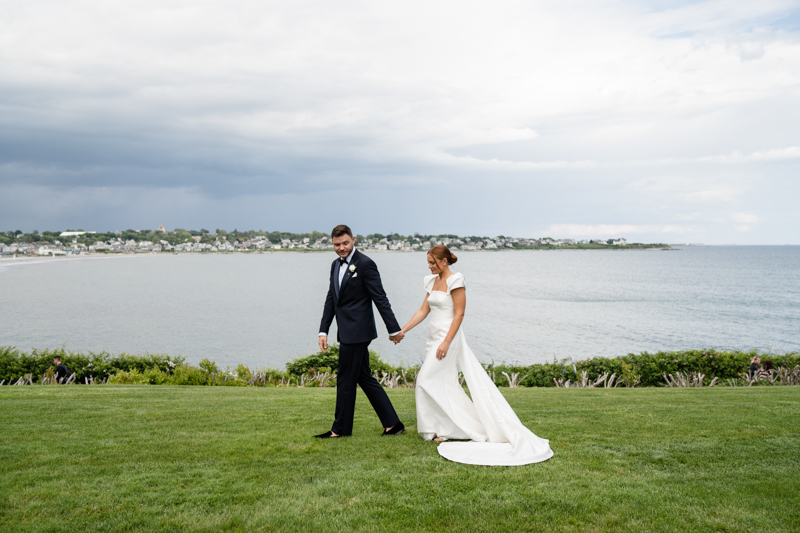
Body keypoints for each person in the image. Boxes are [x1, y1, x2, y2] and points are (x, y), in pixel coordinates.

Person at [397, 245, 553, 466]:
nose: (430, 266)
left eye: (433, 263)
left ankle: (463, 428)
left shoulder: (456, 280)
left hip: (447, 338)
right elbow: (424, 310)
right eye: (428, 263)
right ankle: (442, 429)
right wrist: (403, 330)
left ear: (444, 261)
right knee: (443, 383)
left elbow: (459, 314)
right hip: (432, 338)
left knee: (424, 380)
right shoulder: (431, 281)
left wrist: (447, 342)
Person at [314, 225, 406, 438]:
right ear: (332, 244)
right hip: (344, 330)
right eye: (337, 245)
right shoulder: (335, 266)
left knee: (345, 378)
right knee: (364, 377)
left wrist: (393, 329)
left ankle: (340, 430)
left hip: (358, 332)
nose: (341, 248)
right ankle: (393, 424)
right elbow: (331, 298)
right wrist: (323, 331)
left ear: (353, 239)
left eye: (345, 243)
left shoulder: (365, 264)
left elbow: (380, 298)